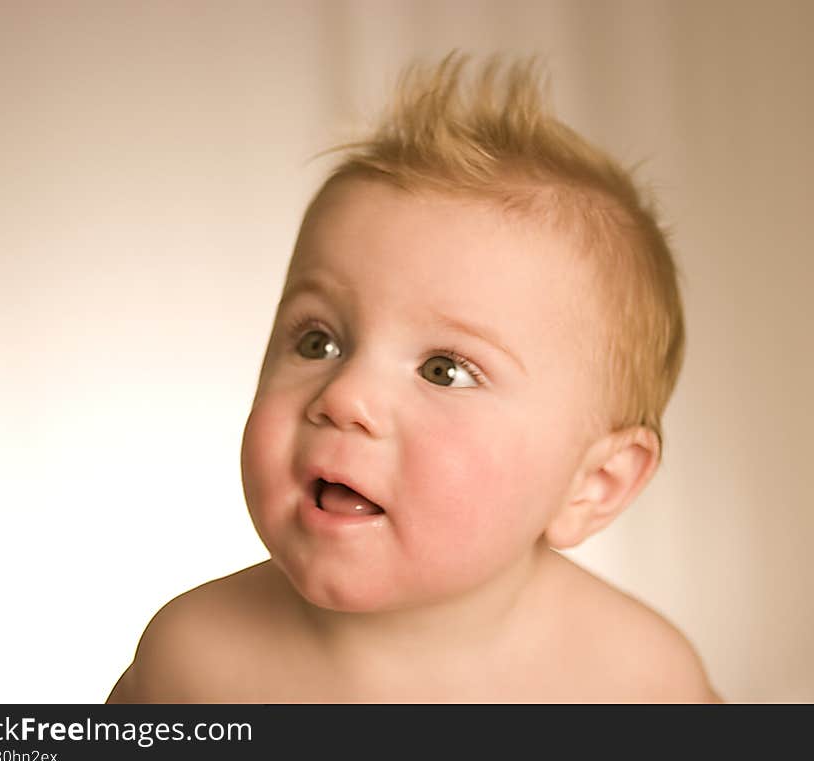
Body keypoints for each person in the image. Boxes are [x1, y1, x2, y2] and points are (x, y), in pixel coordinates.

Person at [107, 52, 721, 703]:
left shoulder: (636, 681)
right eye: (319, 341)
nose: (343, 398)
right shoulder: (193, 659)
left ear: (592, 485)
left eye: (443, 370)